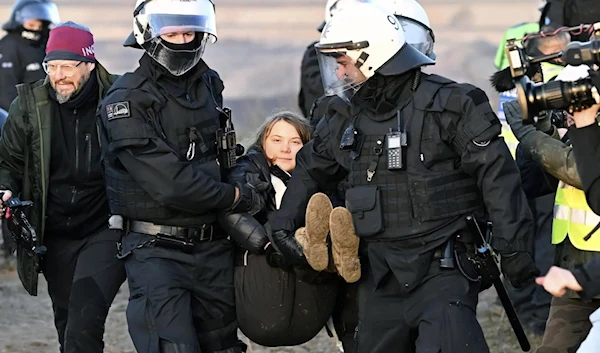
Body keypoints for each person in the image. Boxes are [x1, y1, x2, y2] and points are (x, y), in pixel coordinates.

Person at [270, 3, 538, 353]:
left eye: (343, 62)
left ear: (372, 56)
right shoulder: (342, 117)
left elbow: (497, 177)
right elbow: (309, 169)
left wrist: (514, 248)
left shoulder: (453, 104)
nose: (337, 74)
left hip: (445, 268)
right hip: (378, 273)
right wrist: (282, 227)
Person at [96, 1, 260, 352]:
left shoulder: (209, 84)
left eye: (189, 33)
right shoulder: (125, 100)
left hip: (214, 245)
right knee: (172, 346)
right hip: (157, 252)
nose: (183, 42)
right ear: (149, 35)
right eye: (172, 33)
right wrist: (235, 197)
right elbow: (169, 183)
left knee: (223, 346)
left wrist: (248, 176)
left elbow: (223, 155)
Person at [0, 21, 124, 353]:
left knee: (83, 325)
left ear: (90, 64)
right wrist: (5, 189)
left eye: (68, 65)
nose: (59, 74)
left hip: (105, 227)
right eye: (52, 66)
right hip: (54, 234)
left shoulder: (119, 99)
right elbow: (8, 163)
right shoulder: (28, 105)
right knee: (67, 326)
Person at [220, 111, 361, 350]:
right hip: (265, 271)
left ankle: (336, 254)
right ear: (262, 142)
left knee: (327, 214)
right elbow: (232, 213)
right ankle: (315, 245)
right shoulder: (247, 171)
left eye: (295, 142)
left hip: (311, 281)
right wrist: (267, 245)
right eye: (276, 140)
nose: (286, 148)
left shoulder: (322, 177)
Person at [504, 64, 600, 353]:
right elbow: (535, 182)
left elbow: (579, 171)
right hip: (574, 264)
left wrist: (531, 137)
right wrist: (541, 125)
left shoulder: (588, 133)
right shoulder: (579, 132)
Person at [0, 0, 60, 111]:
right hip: (22, 117)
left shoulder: (44, 45)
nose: (36, 29)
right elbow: (6, 93)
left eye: (40, 25)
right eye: (31, 24)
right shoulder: (10, 46)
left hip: (46, 114)